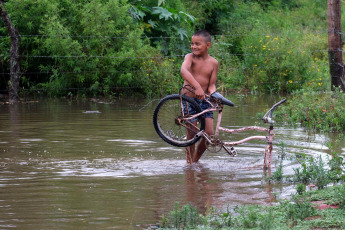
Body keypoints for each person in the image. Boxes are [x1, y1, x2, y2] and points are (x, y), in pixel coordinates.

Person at [180, 30, 218, 164]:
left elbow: (211, 85)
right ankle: (189, 162)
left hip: (204, 101)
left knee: (209, 133)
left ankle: (195, 161)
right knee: (191, 132)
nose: (194, 47)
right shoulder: (189, 57)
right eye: (192, 44)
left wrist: (216, 96)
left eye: (198, 44)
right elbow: (183, 71)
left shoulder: (214, 63)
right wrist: (197, 87)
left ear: (208, 45)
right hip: (189, 99)